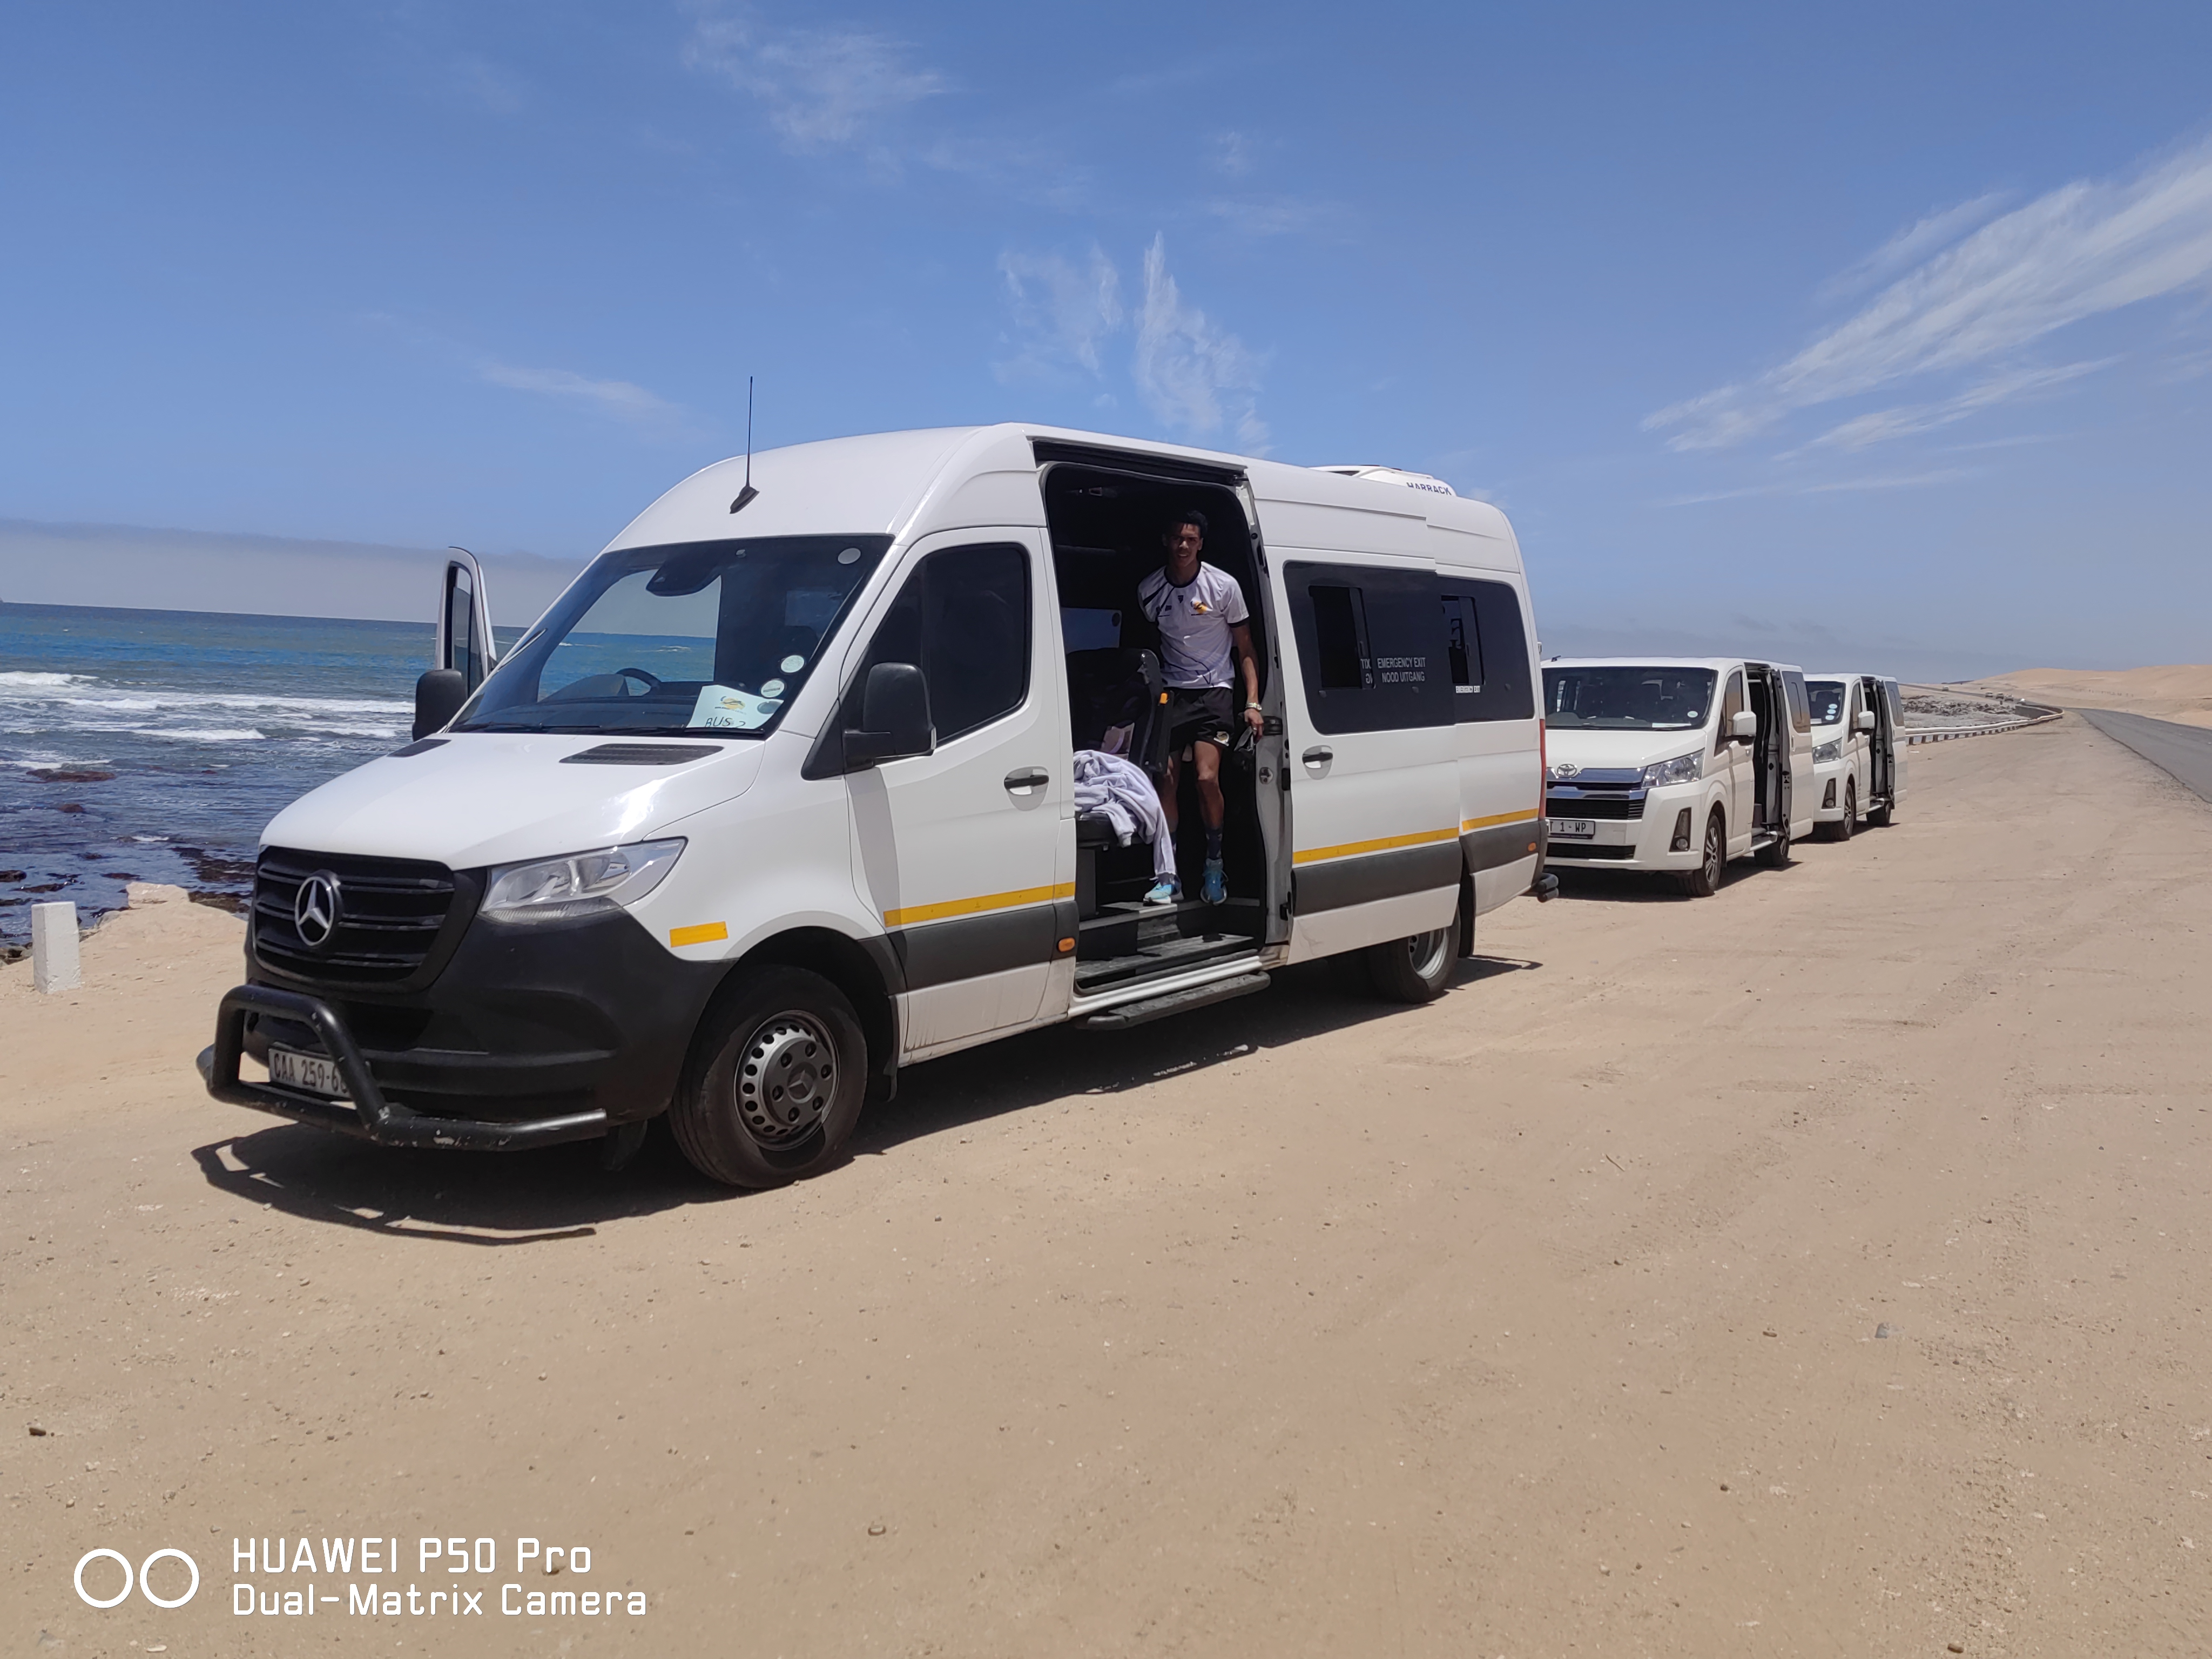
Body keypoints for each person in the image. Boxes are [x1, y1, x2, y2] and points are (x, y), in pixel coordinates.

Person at [1135, 509, 1263, 905]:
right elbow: (1146, 647)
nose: (1184, 546)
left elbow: (1245, 648)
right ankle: (1168, 874)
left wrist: (1253, 702)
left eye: (1191, 539)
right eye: (1178, 538)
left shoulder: (1223, 586)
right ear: (1167, 541)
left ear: (1201, 544)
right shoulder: (1150, 590)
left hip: (1215, 692)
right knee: (1165, 778)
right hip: (1172, 693)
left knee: (1207, 779)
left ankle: (1213, 864)